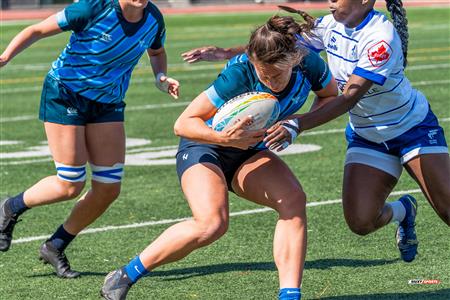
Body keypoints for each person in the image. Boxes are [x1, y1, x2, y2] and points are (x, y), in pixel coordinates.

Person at [182, 0, 450, 264]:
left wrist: (297, 124)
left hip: (411, 128)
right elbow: (281, 47)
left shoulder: (380, 38)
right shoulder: (331, 25)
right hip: (368, 136)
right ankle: (404, 210)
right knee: (361, 221)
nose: (330, 1)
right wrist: (226, 52)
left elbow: (348, 98)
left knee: (447, 209)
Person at [100, 14, 338, 300]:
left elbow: (330, 97)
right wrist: (224, 138)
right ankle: (125, 275)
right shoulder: (238, 74)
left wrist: (295, 123)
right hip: (206, 147)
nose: (270, 81)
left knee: (293, 200)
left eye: (276, 74)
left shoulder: (309, 65)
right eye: (264, 74)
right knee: (211, 224)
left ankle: (289, 296)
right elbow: (183, 123)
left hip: (250, 152)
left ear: (294, 60)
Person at [0, 0, 179, 278]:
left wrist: (161, 77)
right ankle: (10, 207)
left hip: (108, 102)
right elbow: (36, 30)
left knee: (108, 187)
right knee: (69, 183)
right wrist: (5, 56)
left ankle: (55, 244)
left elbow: (156, 51)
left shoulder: (153, 18)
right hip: (65, 93)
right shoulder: (93, 8)